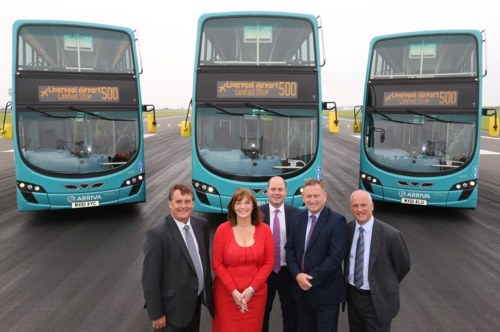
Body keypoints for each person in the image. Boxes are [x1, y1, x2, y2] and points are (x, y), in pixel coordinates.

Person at [142, 184, 214, 332]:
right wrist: (156, 314)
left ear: (193, 203)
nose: (183, 206)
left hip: (195, 305)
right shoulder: (157, 235)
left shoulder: (201, 225)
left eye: (187, 201)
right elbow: (150, 278)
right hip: (171, 313)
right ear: (170, 204)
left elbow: (203, 260)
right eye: (178, 201)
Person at [285, 179, 347, 332]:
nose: (312, 200)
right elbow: (290, 249)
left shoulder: (337, 220)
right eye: (308, 196)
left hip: (326, 294)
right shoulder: (296, 219)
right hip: (302, 293)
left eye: (316, 196)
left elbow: (335, 258)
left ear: (324, 196)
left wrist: (310, 279)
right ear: (303, 198)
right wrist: (298, 275)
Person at [345, 190, 411, 332]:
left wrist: (384, 284)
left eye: (364, 205)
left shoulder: (391, 235)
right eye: (355, 206)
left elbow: (403, 266)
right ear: (351, 208)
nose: (360, 209)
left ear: (372, 206)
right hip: (354, 297)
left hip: (378, 301)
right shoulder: (347, 230)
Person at [212, 188, 274, 332]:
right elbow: (217, 263)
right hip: (226, 296)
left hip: (255, 296)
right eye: (238, 203)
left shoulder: (265, 230)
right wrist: (233, 291)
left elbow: (269, 263)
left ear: (253, 206)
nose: (243, 207)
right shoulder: (222, 230)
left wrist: (251, 289)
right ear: (233, 207)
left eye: (247, 202)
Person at [259, 176, 300, 332]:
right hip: (264, 273)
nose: (276, 193)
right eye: (273, 189)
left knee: (291, 314)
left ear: (286, 192)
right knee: (262, 313)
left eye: (280, 189)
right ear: (267, 191)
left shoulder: (296, 215)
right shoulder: (257, 215)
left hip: (288, 272)